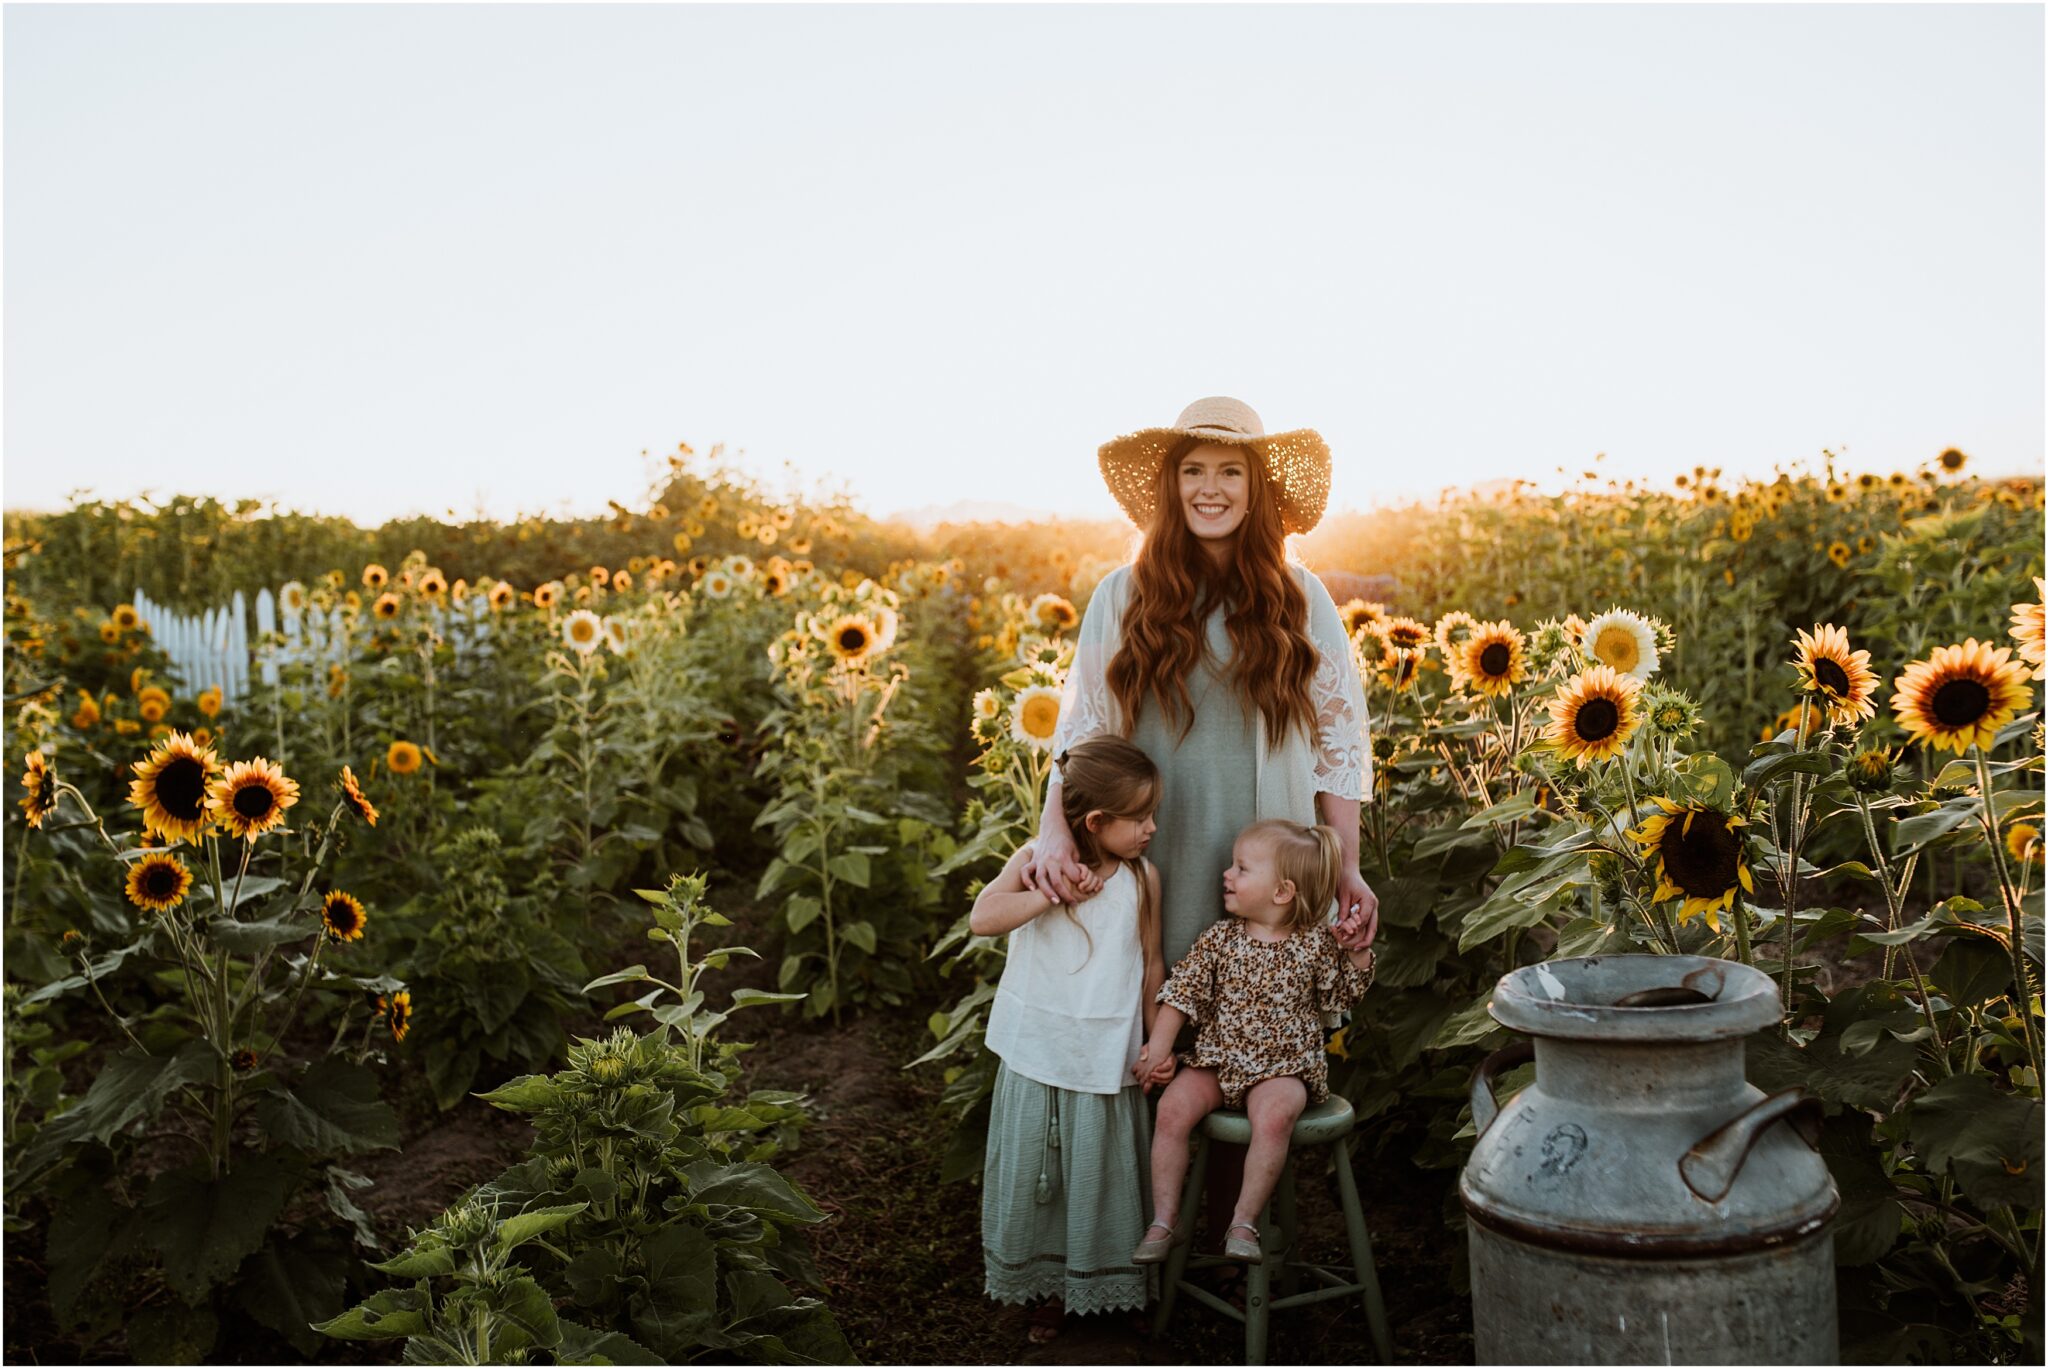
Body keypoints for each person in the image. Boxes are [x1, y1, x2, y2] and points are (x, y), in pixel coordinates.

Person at [1021, 395, 1381, 1276]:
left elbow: (1340, 742)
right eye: (1192, 470)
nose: (1209, 488)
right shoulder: (1125, 593)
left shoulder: (1300, 597)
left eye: (1229, 471)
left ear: (1257, 490)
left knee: (1253, 1019)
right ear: (1169, 486)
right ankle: (1138, 1242)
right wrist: (1054, 831)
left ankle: (1230, 1236)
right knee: (1153, 1018)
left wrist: (1346, 868)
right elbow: (1083, 729)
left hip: (1267, 850)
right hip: (1157, 840)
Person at [972, 735, 1167, 1345]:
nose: (1152, 829)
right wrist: (1046, 894)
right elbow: (982, 918)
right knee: (1046, 1177)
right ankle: (1050, 1289)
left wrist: (1156, 1041)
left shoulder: (1143, 879)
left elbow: (1151, 963)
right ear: (1096, 821)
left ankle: (1113, 1285)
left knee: (1105, 1175)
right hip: (1039, 1050)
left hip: (1105, 1055)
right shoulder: (1037, 860)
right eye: (1140, 818)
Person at [1130, 819, 1377, 1264]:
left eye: (1241, 868)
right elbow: (1181, 993)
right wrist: (1160, 1048)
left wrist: (1355, 952)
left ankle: (1243, 1221)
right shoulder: (1220, 939)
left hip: (1283, 1068)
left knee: (1275, 1117)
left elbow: (1341, 996)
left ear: (1282, 892)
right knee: (1172, 1109)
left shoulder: (1314, 945)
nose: (1227, 874)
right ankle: (1165, 1219)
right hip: (1218, 1062)